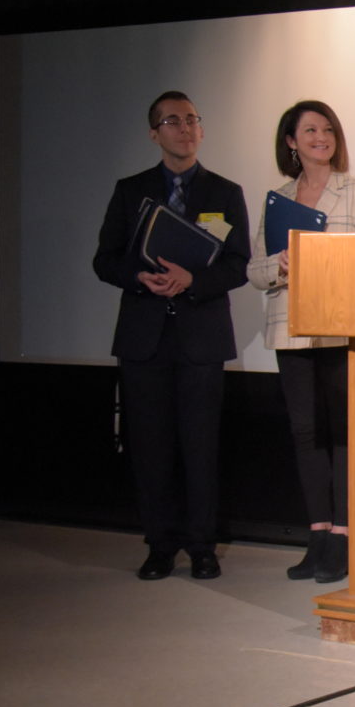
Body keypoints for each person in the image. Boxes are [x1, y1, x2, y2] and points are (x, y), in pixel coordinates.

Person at [92, 90, 250, 580]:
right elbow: (105, 260)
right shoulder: (130, 189)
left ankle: (203, 546)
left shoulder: (225, 192)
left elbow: (238, 263)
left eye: (192, 120)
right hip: (145, 337)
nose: (185, 128)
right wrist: (139, 277)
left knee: (200, 446)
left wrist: (192, 281)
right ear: (154, 132)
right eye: (173, 121)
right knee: (150, 445)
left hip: (201, 335)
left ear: (201, 129)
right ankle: (160, 544)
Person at [247, 100, 355, 584]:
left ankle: (344, 538)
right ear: (291, 141)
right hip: (292, 327)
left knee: (345, 434)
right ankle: (318, 536)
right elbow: (255, 271)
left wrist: (320, 257)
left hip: (343, 326)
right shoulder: (278, 197)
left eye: (327, 130)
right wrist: (283, 264)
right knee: (307, 435)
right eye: (309, 131)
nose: (320, 138)